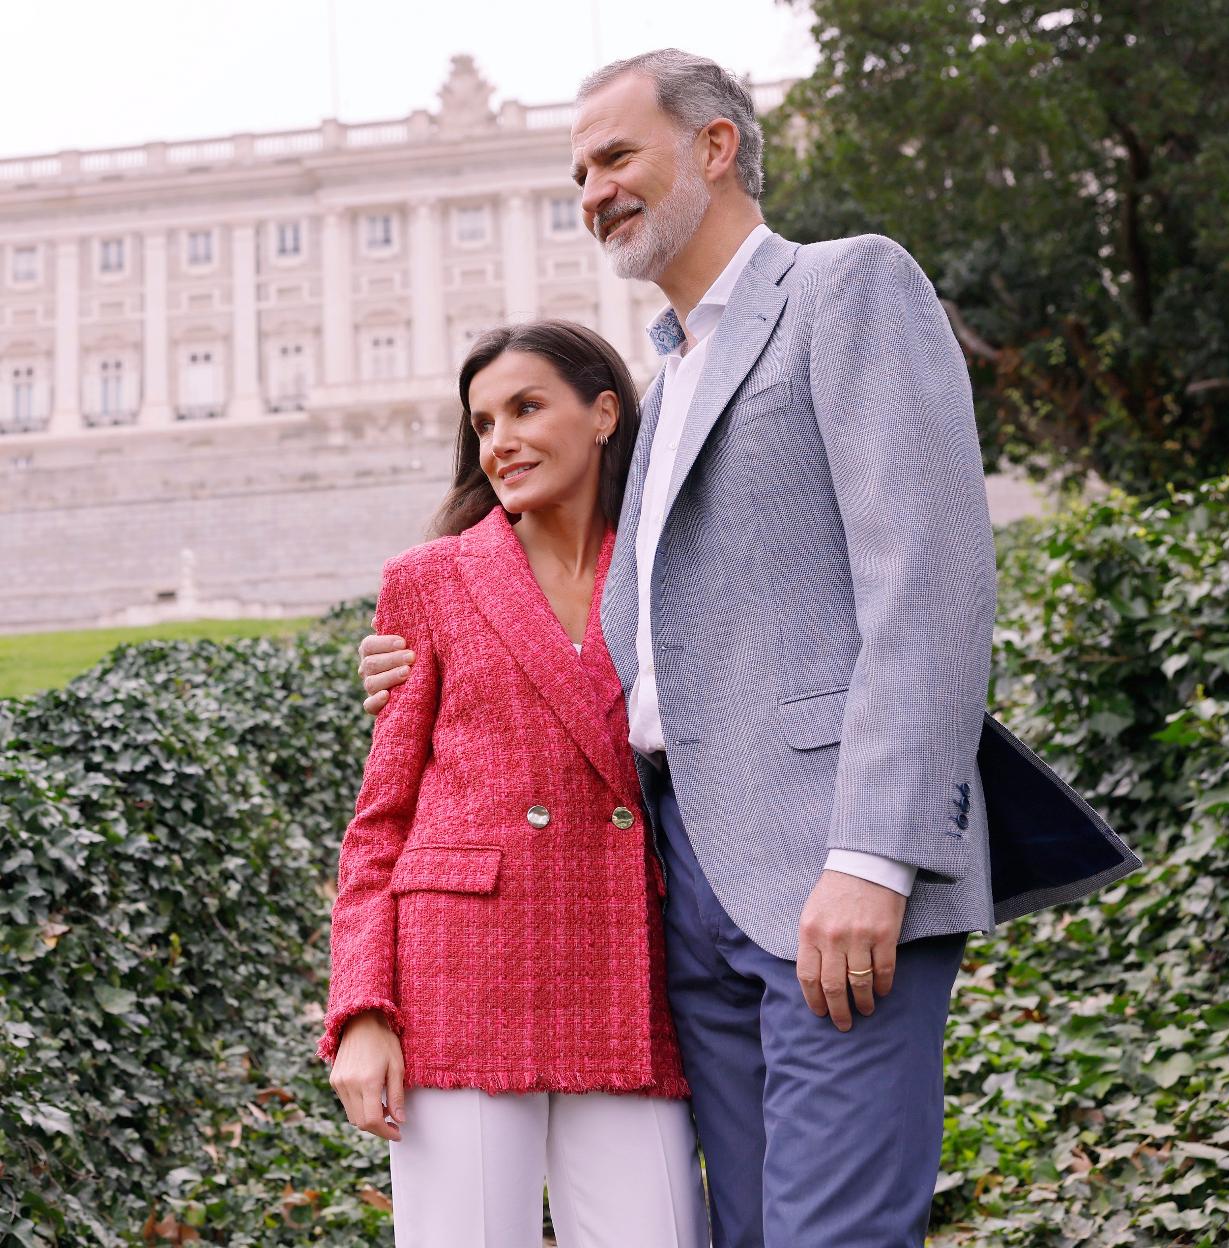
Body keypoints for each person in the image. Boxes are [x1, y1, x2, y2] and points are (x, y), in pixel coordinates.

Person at [356, 49, 1141, 1248]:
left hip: (829, 855)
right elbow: (639, 638)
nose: (593, 190)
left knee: (829, 1233)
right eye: (578, 171)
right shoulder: (665, 390)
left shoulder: (849, 289)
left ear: (716, 147)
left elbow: (925, 585)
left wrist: (875, 856)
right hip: (687, 879)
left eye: (617, 156)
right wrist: (436, 663)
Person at [318, 319, 710, 1248]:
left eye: (527, 407)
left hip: (625, 968)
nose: (501, 440)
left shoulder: (672, 567)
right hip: (459, 976)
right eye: (484, 421)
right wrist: (362, 1010)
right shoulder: (430, 581)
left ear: (604, 412)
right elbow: (381, 822)